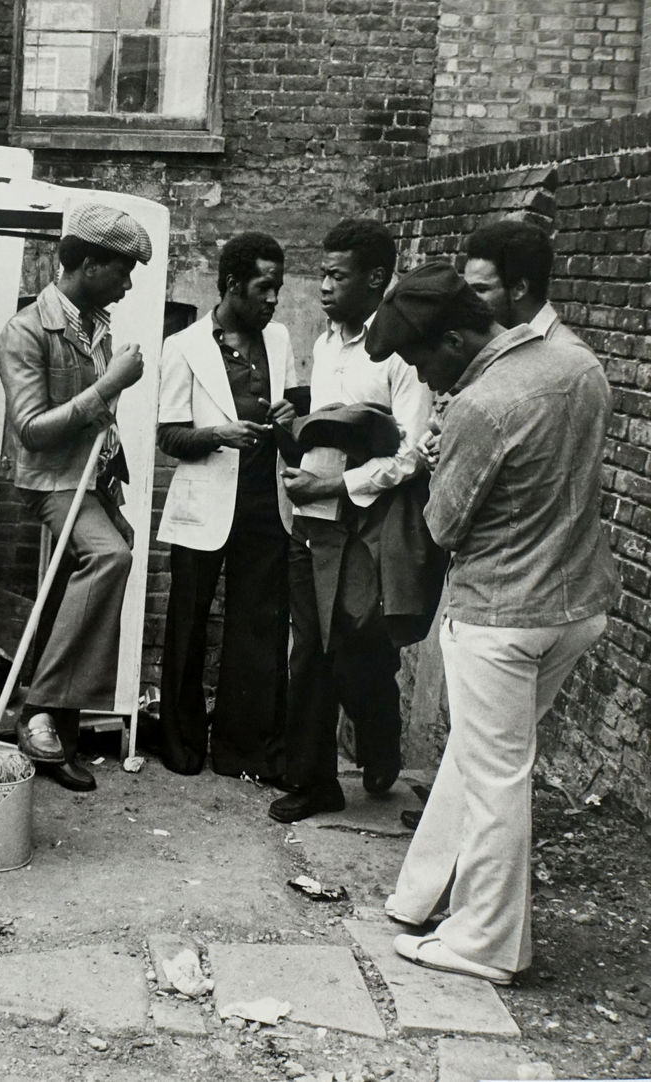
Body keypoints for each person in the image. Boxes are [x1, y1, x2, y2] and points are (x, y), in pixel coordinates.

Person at [367, 263, 617, 986]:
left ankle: (487, 944)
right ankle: (422, 893)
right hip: (578, 604)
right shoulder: (578, 364)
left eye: (422, 359)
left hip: (503, 615)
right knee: (482, 757)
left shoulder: (480, 404)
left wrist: (443, 454)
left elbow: (443, 525)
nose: (426, 376)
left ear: (454, 336)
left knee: (497, 778)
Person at [269, 218, 437, 823]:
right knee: (310, 652)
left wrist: (339, 482)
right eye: (321, 273)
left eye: (336, 276)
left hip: (363, 530)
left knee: (355, 653)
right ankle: (316, 783)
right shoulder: (324, 342)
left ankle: (380, 733)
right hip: (309, 522)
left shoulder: (400, 354)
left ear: (375, 278)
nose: (322, 286)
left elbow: (412, 453)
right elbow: (334, 423)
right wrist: (301, 416)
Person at [0, 202, 148, 792]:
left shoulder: (95, 322)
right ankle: (38, 712)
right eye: (122, 270)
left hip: (95, 478)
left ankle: (56, 729)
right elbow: (31, 428)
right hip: (52, 482)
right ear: (86, 264)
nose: (129, 283)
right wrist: (110, 384)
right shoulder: (26, 329)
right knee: (108, 558)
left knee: (81, 582)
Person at [155, 233, 297, 778]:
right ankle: (181, 745)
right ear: (233, 284)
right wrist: (218, 434)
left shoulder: (278, 339)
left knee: (257, 628)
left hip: (265, 501)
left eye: (279, 289)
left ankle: (242, 749)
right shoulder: (184, 346)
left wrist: (288, 417)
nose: (273, 300)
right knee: (188, 625)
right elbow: (169, 435)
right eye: (265, 287)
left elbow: (287, 408)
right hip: (204, 504)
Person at [462, 219, 588, 349]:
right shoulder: (492, 340)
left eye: (480, 289)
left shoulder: (570, 355)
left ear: (519, 288)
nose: (469, 299)